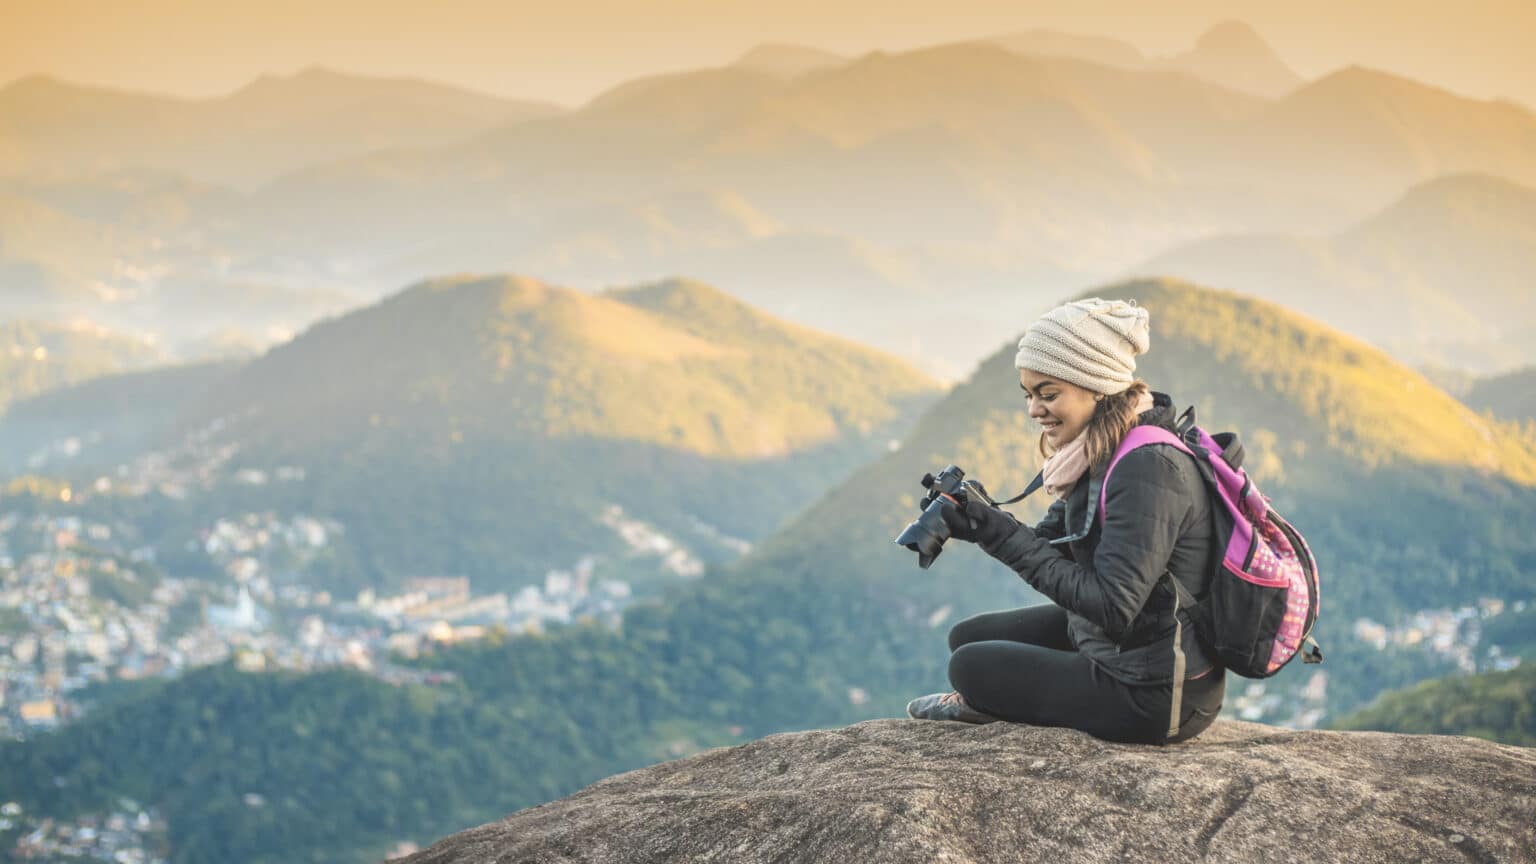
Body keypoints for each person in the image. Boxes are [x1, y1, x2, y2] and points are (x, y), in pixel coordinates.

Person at [904, 297, 1225, 745]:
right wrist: (980, 523)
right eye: (1030, 394)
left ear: (1096, 385)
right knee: (966, 638)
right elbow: (1056, 548)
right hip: (1127, 644)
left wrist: (1001, 535)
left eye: (1048, 394)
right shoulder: (1102, 449)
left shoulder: (1147, 468)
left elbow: (1113, 606)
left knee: (969, 667)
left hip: (1154, 692)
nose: (1034, 410)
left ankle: (1003, 701)